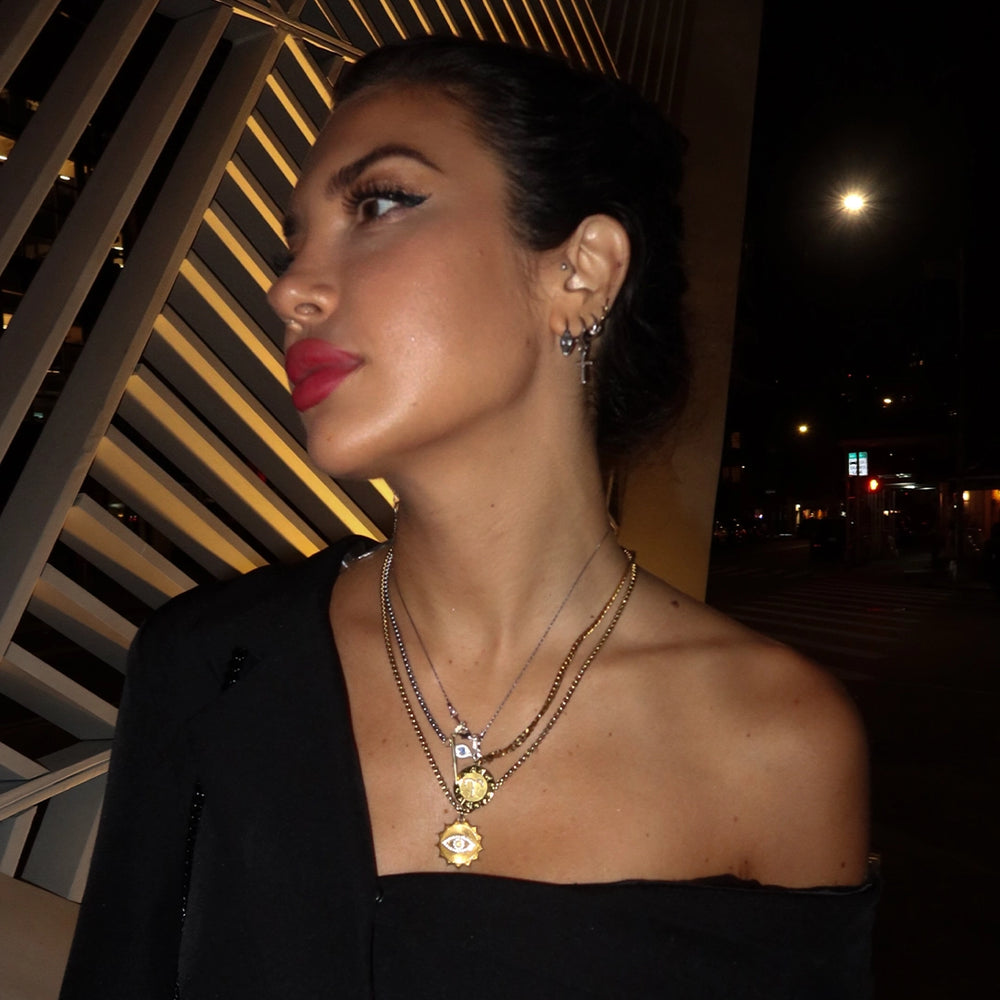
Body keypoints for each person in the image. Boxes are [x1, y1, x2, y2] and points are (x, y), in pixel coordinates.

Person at [61, 36, 876, 999]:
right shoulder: (207, 666)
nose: (288, 290)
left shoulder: (781, 740)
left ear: (581, 272)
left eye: (377, 205)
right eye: (292, 243)